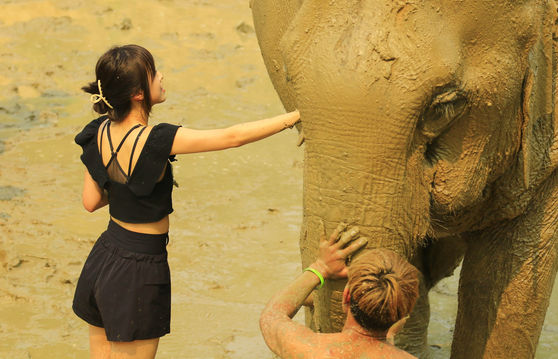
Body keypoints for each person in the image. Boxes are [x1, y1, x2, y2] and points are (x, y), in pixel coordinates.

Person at [73, 44, 300, 359]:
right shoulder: (157, 140)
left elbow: (90, 201)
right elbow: (231, 137)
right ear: (138, 93)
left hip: (104, 259)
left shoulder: (95, 132)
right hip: (139, 269)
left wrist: (125, 184)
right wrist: (295, 117)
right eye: (154, 73)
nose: (162, 76)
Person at [260, 224, 420, 359]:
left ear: (346, 296)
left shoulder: (310, 349)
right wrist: (388, 341)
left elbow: (272, 315)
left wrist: (320, 268)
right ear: (404, 313)